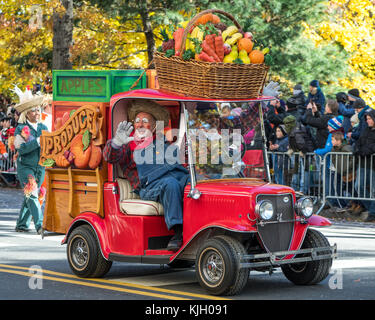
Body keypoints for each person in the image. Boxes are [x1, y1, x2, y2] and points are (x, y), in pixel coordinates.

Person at [103, 99, 190, 251]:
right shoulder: (128, 144)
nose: (140, 124)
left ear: (154, 125)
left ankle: (198, 225)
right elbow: (110, 156)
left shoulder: (162, 142)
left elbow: (179, 163)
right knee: (170, 184)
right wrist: (117, 142)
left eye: (145, 121)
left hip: (172, 179)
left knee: (193, 183)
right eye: (137, 121)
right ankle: (178, 233)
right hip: (147, 188)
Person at [12, 86, 48, 233]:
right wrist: (37, 142)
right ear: (27, 114)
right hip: (25, 167)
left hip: (40, 167)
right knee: (32, 193)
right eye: (34, 110)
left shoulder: (44, 127)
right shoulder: (21, 129)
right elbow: (21, 149)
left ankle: (22, 224)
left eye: (38, 109)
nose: (37, 112)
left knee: (32, 195)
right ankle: (40, 225)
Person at [352, 110, 375, 222]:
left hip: (372, 164)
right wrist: (357, 149)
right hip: (362, 163)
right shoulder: (366, 130)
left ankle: (372, 211)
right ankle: (372, 209)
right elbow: (359, 142)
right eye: (367, 119)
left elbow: (371, 148)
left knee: (372, 189)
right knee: (358, 186)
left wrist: (362, 151)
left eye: (370, 119)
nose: (367, 121)